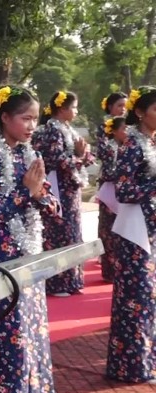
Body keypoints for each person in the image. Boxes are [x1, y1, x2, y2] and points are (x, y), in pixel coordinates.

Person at [0, 86, 61, 393]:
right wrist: (26, 192)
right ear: (5, 117)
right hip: (0, 254)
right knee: (7, 334)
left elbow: (50, 202)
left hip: (29, 250)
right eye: (26, 118)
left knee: (31, 330)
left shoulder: (28, 151)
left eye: (35, 119)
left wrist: (39, 196)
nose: (32, 126)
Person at [107, 86, 156, 384]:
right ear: (140, 112)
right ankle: (132, 367)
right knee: (136, 299)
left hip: (150, 228)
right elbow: (123, 190)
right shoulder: (131, 144)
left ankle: (147, 361)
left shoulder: (151, 142)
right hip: (134, 232)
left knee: (149, 298)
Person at [31, 91, 95, 297]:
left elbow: (84, 155)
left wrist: (84, 156)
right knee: (59, 231)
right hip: (58, 185)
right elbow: (58, 160)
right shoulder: (52, 130)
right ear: (62, 109)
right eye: (74, 107)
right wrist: (80, 157)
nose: (76, 111)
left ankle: (72, 280)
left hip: (70, 188)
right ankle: (57, 283)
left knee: (73, 232)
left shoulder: (68, 129)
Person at [94, 92, 127, 282]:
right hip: (110, 184)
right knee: (108, 227)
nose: (123, 109)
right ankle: (109, 269)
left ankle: (121, 267)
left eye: (125, 105)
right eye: (119, 105)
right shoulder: (104, 129)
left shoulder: (130, 127)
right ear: (110, 107)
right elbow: (104, 156)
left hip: (125, 187)